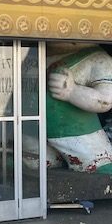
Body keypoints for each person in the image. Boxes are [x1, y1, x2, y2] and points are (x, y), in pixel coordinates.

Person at [47, 42, 112, 173]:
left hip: (81, 137)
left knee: (100, 170)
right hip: (38, 134)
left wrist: (72, 91)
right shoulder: (31, 53)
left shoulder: (99, 58)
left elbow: (106, 99)